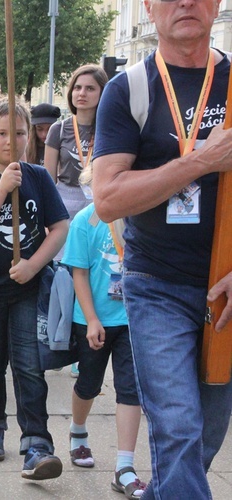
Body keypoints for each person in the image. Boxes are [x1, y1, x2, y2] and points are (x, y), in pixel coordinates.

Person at [92, 1, 232, 498]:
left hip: (225, 290)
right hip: (156, 286)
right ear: (149, 7)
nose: (187, 3)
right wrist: (199, 163)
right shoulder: (128, 88)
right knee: (178, 427)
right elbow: (107, 200)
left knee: (203, 439)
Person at [0, 97, 69, 479]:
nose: (11, 141)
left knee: (29, 366)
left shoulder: (37, 177)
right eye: (2, 133)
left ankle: (37, 442)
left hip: (26, 288)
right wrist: (3, 187)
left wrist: (34, 264)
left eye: (18, 133)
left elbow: (60, 227)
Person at [61, 164, 146, 499]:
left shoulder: (138, 216)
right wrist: (92, 319)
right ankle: (78, 432)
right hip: (93, 318)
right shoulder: (85, 221)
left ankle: (124, 466)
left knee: (130, 389)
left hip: (130, 319)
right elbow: (78, 273)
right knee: (89, 384)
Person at [44, 64, 108, 221]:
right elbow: (48, 181)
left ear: (102, 92)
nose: (82, 93)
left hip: (99, 201)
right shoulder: (58, 129)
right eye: (77, 88)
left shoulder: (109, 129)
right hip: (66, 202)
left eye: (90, 88)